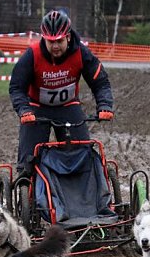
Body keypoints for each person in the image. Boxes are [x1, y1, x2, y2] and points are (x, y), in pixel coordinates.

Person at [8, 9, 114, 180]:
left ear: (68, 37)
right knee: (28, 162)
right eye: (50, 42)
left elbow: (100, 82)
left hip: (68, 107)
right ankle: (26, 189)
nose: (55, 46)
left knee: (82, 155)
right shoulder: (32, 55)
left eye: (59, 41)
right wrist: (24, 110)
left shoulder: (81, 53)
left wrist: (105, 105)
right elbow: (16, 87)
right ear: (43, 38)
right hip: (37, 110)